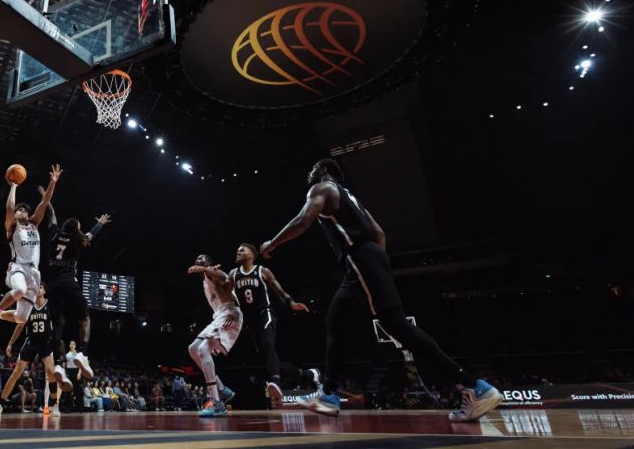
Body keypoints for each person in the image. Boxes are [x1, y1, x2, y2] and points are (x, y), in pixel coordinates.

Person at [260, 158, 502, 422]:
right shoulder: (351, 198)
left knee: (397, 326)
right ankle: (328, 395)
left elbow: (302, 220)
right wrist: (377, 266)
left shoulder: (322, 188)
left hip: (360, 260)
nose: (310, 173)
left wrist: (273, 242)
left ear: (326, 171)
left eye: (314, 168)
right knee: (336, 321)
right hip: (367, 262)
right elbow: (380, 232)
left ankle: (473, 385)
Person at [0, 165, 62, 339]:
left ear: (28, 215)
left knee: (22, 318)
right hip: (17, 268)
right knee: (20, 290)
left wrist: (52, 183)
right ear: (15, 216)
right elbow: (9, 209)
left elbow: (44, 203)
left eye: (24, 210)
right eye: (19, 210)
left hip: (34, 273)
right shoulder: (12, 227)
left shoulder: (33, 224)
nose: (21, 211)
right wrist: (14, 186)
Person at [229, 243, 319, 402]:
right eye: (237, 251)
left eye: (242, 250)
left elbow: (277, 288)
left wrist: (291, 303)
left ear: (252, 255)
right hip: (250, 320)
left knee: (268, 344)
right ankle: (308, 374)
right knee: (268, 360)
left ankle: (276, 382)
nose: (238, 252)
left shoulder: (262, 271)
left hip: (266, 312)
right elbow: (226, 295)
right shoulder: (233, 274)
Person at [41, 187, 106, 382]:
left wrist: (46, 197)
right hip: (69, 282)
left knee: (58, 324)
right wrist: (100, 223)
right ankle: (82, 354)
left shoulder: (54, 233)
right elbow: (92, 234)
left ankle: (58, 365)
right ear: (77, 228)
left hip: (52, 285)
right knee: (85, 318)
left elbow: (51, 213)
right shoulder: (78, 239)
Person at [0, 283, 67, 418]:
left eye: (41, 287)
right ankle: (0, 405)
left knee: (51, 373)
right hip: (31, 341)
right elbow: (20, 325)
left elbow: (57, 325)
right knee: (16, 372)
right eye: (36, 287)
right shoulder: (29, 306)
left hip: (46, 342)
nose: (38, 290)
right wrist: (10, 343)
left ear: (44, 291)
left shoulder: (50, 305)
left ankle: (54, 405)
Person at [187, 254, 241, 417]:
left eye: (202, 259)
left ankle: (216, 403)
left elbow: (224, 277)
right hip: (219, 316)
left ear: (209, 263)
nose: (198, 260)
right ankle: (222, 389)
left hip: (230, 313)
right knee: (193, 349)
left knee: (203, 349)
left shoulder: (212, 271)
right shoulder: (205, 280)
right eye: (197, 259)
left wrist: (205, 268)